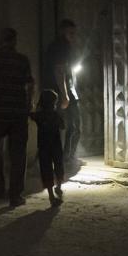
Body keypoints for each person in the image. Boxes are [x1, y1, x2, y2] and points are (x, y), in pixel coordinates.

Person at [0, 28, 35, 207]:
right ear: (14, 41)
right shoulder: (22, 61)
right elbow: (30, 84)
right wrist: (28, 105)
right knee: (17, 154)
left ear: (0, 41)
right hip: (17, 114)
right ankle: (15, 195)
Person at [43, 19, 81, 161]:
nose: (73, 36)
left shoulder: (61, 47)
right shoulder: (61, 47)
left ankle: (63, 157)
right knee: (73, 126)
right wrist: (65, 95)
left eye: (74, 33)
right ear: (62, 32)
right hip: (63, 92)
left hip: (60, 92)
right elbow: (59, 71)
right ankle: (66, 158)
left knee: (66, 126)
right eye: (70, 33)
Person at [30, 88, 65, 207]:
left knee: (46, 169)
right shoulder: (56, 115)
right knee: (59, 165)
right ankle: (58, 187)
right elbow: (63, 126)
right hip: (56, 145)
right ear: (54, 103)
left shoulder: (38, 115)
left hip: (43, 146)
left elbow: (31, 114)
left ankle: (51, 196)